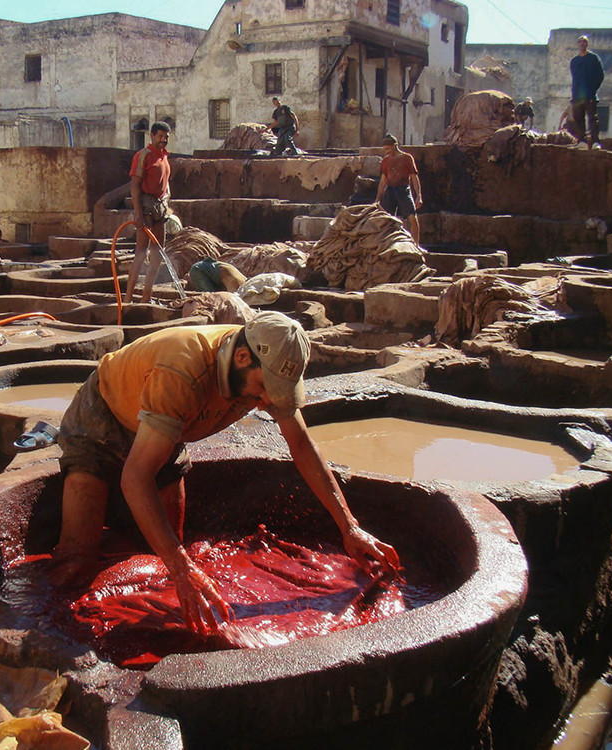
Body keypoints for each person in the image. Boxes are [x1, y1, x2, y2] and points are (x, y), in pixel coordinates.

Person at [50, 311, 401, 633]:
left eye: (276, 393)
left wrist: (349, 527)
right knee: (76, 564)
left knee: (166, 553)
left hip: (167, 429)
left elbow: (303, 447)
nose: (266, 401)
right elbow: (135, 477)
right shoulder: (183, 371)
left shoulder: (266, 362)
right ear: (242, 357)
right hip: (103, 418)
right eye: (263, 389)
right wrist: (182, 568)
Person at [125, 121, 172, 304]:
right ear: (152, 136)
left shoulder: (165, 157)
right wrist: (138, 213)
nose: (163, 140)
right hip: (146, 205)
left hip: (161, 206)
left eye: (166, 137)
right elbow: (135, 185)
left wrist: (167, 201)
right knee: (141, 253)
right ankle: (128, 298)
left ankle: (146, 296)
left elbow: (166, 182)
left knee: (157, 254)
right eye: (160, 136)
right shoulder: (143, 155)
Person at [376, 133, 424, 246]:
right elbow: (383, 181)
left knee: (412, 218)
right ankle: (386, 245)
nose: (386, 151)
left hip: (403, 190)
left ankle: (416, 245)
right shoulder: (385, 161)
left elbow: (414, 177)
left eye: (388, 149)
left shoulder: (407, 158)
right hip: (390, 191)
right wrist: (377, 199)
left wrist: (419, 196)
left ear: (395, 145)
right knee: (385, 219)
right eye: (385, 149)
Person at [570, 35, 605, 150]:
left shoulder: (593, 58)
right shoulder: (574, 61)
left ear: (587, 44)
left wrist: (592, 90)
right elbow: (574, 78)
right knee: (578, 119)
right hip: (577, 96)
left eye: (584, 41)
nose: (581, 43)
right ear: (577, 44)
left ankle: (595, 142)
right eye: (579, 41)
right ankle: (582, 142)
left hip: (589, 95)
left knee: (592, 119)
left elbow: (600, 75)